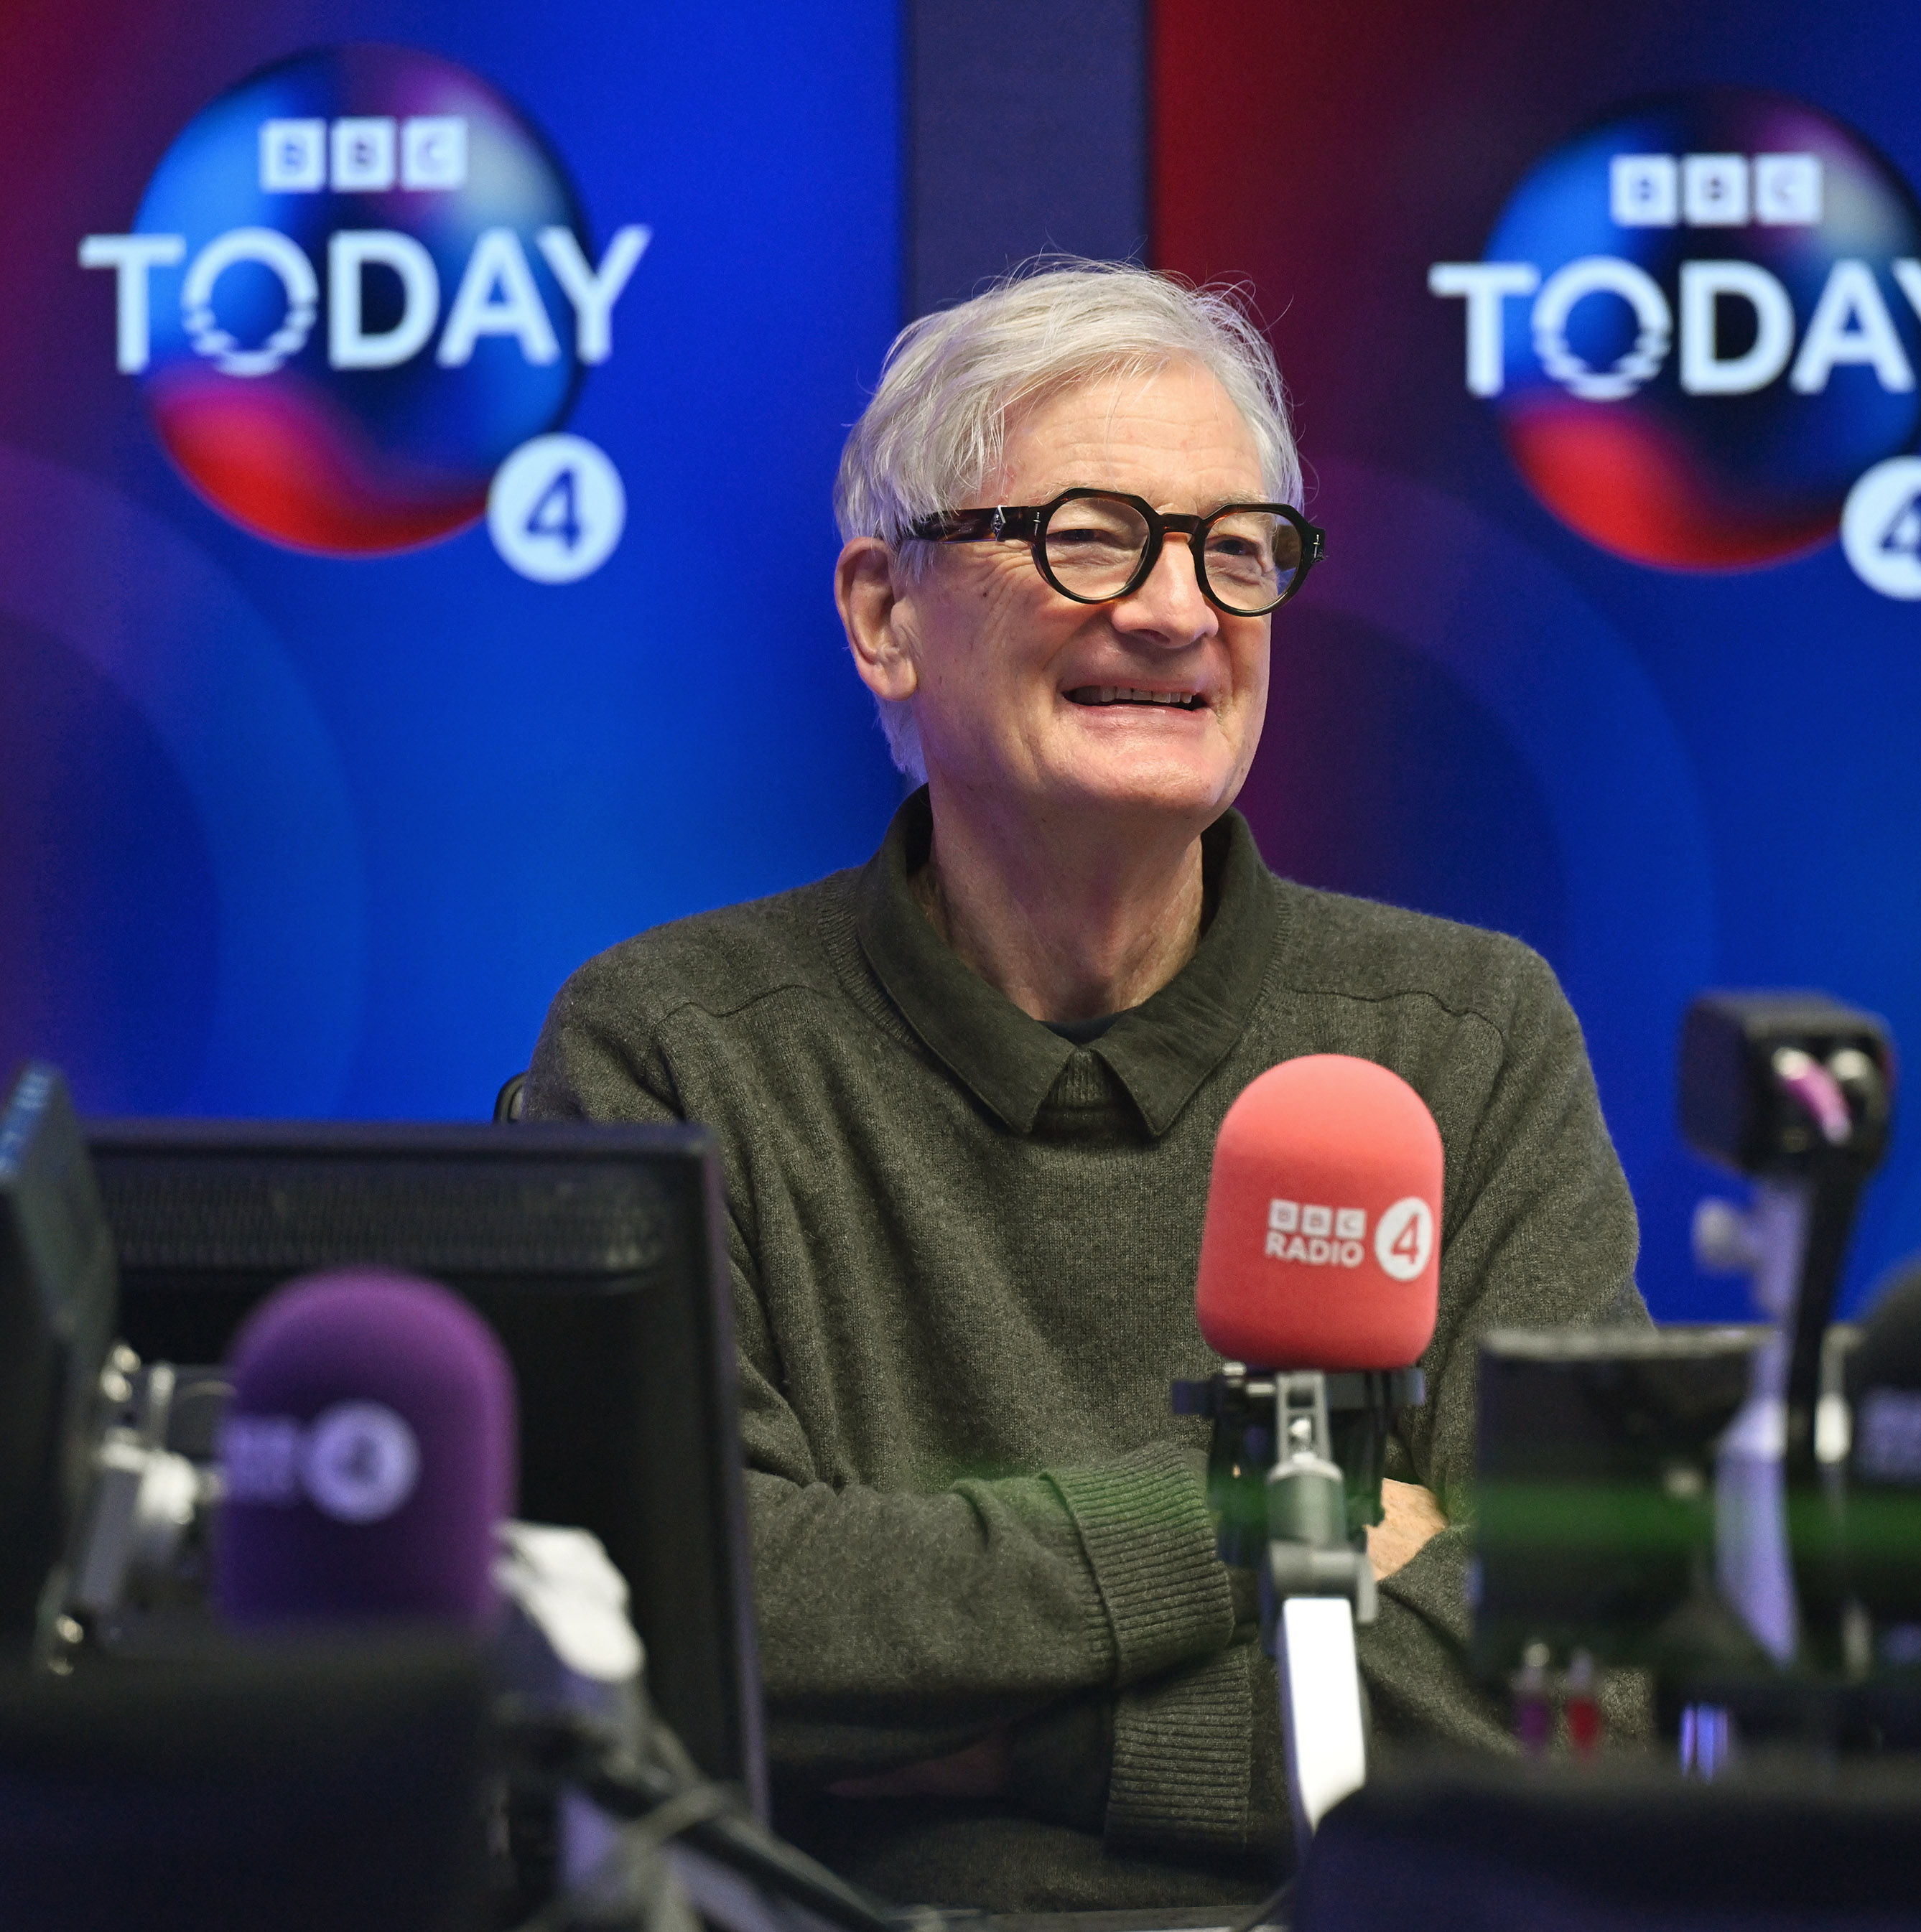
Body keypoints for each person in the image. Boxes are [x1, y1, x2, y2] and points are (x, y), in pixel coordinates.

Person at [525, 260, 1648, 1911]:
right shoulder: (671, 1049)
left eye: (1235, 547)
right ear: (884, 613)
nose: (1181, 611)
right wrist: (1267, 1516)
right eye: (1091, 536)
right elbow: (683, 1626)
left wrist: (1045, 1743)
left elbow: (1583, 1686)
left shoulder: (1465, 1038)